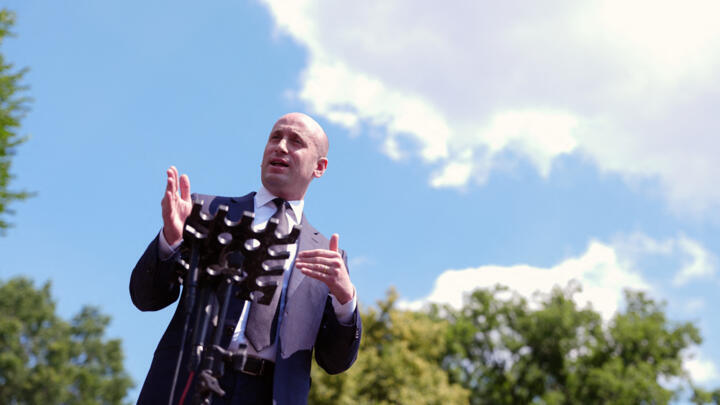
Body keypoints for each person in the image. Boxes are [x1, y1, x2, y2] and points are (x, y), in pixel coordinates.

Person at [130, 113, 361, 405]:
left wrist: (345, 299)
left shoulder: (328, 255)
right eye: (275, 137)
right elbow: (146, 298)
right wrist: (170, 240)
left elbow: (335, 361)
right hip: (189, 384)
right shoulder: (207, 212)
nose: (281, 147)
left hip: (268, 394)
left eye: (296, 142)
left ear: (320, 167)